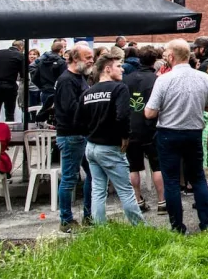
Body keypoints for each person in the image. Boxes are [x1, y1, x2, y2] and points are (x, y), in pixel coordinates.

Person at [145, 39, 208, 233]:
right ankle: (205, 223)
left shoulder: (163, 79)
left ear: (171, 57)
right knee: (197, 178)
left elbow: (150, 113)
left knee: (171, 180)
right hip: (194, 132)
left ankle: (177, 226)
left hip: (168, 133)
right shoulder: (203, 78)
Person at [74, 53, 145, 226]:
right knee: (126, 191)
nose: (122, 69)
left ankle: (100, 228)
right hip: (110, 147)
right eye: (119, 65)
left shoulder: (87, 92)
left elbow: (77, 122)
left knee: (98, 190)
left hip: (91, 147)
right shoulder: (119, 88)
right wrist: (125, 136)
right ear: (107, 68)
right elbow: (122, 116)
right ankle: (141, 229)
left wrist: (92, 132)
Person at [55, 44, 95, 234]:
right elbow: (70, 108)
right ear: (75, 59)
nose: (91, 60)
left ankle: (89, 215)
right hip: (71, 135)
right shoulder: (66, 80)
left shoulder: (80, 78)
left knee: (93, 174)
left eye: (91, 57)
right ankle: (66, 220)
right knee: (70, 178)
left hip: (81, 134)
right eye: (87, 57)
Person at [124, 45, 165, 214]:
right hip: (152, 127)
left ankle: (138, 199)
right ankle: (162, 201)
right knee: (157, 165)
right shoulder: (157, 80)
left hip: (131, 127)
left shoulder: (126, 79)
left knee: (133, 167)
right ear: (155, 60)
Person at [0, 40, 26, 122]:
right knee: (9, 112)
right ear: (21, 47)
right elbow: (23, 74)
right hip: (10, 86)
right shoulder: (20, 55)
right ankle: (9, 132)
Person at [33, 39, 68, 107]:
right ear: (61, 50)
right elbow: (64, 79)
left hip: (45, 92)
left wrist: (43, 87)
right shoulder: (62, 63)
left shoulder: (41, 62)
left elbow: (35, 78)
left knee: (45, 114)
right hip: (58, 93)